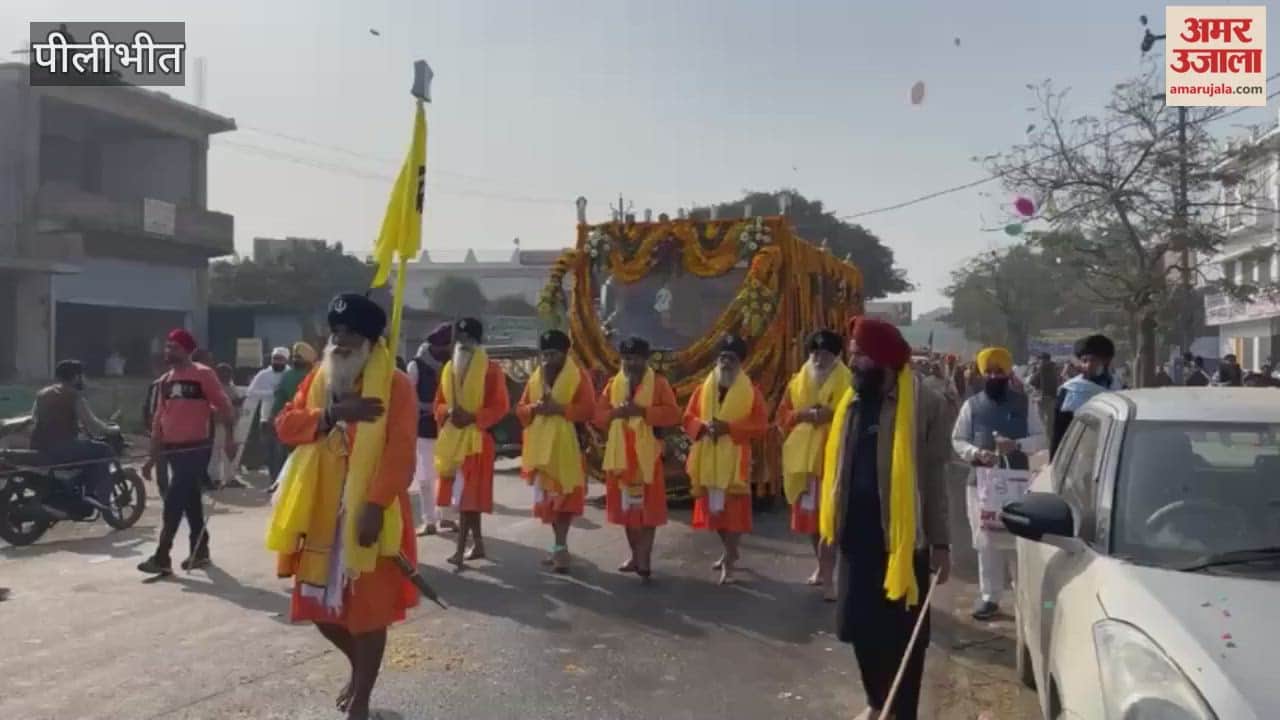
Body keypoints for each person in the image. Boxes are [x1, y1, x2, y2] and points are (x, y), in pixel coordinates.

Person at [266, 293, 418, 720]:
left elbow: (400, 451)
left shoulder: (397, 386)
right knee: (321, 610)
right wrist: (332, 415)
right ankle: (358, 670)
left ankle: (363, 700)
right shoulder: (317, 378)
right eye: (336, 332)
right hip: (318, 512)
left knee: (368, 612)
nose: (340, 341)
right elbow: (285, 426)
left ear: (372, 341)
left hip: (371, 510)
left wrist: (373, 504)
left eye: (351, 333)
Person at [819, 316, 951, 720]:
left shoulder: (926, 403)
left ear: (883, 361)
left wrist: (941, 543)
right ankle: (880, 702)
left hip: (902, 542)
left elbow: (933, 477)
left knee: (903, 638)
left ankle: (899, 711)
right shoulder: (852, 396)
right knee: (856, 626)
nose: (852, 361)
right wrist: (830, 523)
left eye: (859, 355)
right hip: (856, 536)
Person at [951, 347, 1046, 621]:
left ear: (1008, 373)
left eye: (999, 372)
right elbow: (958, 440)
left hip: (1017, 482)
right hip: (980, 482)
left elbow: (1041, 439)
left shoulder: (1025, 404)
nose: (994, 376)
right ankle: (990, 597)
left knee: (1018, 541)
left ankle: (1024, 599)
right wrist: (975, 453)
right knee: (986, 540)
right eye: (989, 372)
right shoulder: (972, 405)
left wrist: (1016, 445)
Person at [137, 329, 235, 575]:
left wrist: (230, 439)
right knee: (191, 501)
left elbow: (224, 405)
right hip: (172, 449)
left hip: (196, 448)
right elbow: (160, 417)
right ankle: (200, 550)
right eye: (167, 346)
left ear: (187, 350)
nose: (169, 351)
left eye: (175, 347)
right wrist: (152, 456)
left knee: (174, 500)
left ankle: (162, 555)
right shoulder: (165, 380)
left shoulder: (203, 374)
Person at [682, 333, 768, 585]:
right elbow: (687, 418)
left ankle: (729, 562)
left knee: (734, 512)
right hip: (707, 459)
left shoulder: (751, 392)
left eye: (730, 358)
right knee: (715, 512)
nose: (725, 362)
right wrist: (703, 426)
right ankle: (730, 550)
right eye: (722, 358)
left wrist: (729, 428)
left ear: (739, 363)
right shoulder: (703, 388)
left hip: (735, 462)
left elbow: (761, 426)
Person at [593, 336, 680, 581]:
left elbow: (674, 414)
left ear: (645, 360)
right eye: (626, 359)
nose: (630, 363)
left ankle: (644, 558)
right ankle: (635, 554)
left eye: (635, 359)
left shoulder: (660, 384)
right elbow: (598, 416)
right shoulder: (613, 384)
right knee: (627, 511)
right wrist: (617, 413)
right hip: (620, 458)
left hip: (647, 457)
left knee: (647, 511)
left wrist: (644, 412)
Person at [776, 329, 851, 600]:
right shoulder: (796, 383)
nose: (819, 358)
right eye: (815, 353)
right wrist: (803, 414)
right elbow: (782, 417)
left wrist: (833, 415)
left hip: (834, 462)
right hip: (804, 463)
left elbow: (855, 417)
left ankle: (829, 578)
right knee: (811, 522)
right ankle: (822, 567)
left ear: (837, 356)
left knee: (829, 521)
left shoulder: (849, 383)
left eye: (826, 354)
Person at [516, 329, 596, 573]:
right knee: (551, 502)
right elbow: (520, 409)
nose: (549, 360)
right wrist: (534, 409)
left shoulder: (579, 376)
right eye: (545, 355)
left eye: (554, 354)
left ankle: (561, 547)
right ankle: (559, 546)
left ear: (565, 354)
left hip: (568, 447)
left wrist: (560, 409)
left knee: (565, 500)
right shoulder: (536, 377)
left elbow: (588, 410)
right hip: (541, 450)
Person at [433, 317, 510, 568]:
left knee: (467, 499)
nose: (463, 344)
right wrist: (448, 413)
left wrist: (473, 417)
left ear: (478, 343)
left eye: (469, 340)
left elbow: (500, 406)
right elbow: (438, 404)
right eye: (460, 340)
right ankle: (477, 544)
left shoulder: (491, 370)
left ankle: (460, 550)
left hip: (477, 442)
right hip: (452, 440)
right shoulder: (448, 369)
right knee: (468, 500)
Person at [29, 359, 120, 510]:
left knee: (87, 450)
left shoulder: (42, 394)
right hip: (63, 448)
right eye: (81, 375)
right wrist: (111, 430)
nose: (83, 379)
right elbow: (91, 422)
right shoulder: (73, 395)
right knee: (104, 450)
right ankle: (93, 495)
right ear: (76, 377)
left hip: (39, 446)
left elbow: (34, 419)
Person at [406, 325, 452, 535]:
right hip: (424, 428)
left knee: (447, 474)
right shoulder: (415, 366)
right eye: (445, 346)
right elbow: (409, 400)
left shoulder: (451, 364)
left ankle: (446, 517)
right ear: (435, 346)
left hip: (448, 428)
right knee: (425, 478)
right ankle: (429, 520)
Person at [1050, 334, 1121, 458]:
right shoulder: (1070, 391)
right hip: (1079, 457)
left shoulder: (1118, 388)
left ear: (1106, 362)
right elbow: (1059, 433)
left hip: (1111, 453)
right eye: (1084, 361)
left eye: (1094, 360)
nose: (1088, 365)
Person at [266, 342, 318, 494]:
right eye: (295, 357)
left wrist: (273, 416)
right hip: (298, 422)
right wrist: (273, 416)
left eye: (298, 357)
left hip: (305, 422)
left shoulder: (311, 375)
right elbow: (280, 398)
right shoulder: (293, 376)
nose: (296, 360)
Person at [247, 347, 290, 481]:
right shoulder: (263, 374)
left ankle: (282, 480)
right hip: (266, 419)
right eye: (275, 359)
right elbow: (250, 392)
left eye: (280, 359)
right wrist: (271, 393)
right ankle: (273, 479)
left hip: (286, 418)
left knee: (282, 452)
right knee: (269, 452)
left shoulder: (290, 374)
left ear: (286, 360)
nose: (277, 362)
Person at [210, 363, 247, 489]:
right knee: (216, 451)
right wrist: (236, 402)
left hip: (231, 423)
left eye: (228, 373)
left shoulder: (231, 386)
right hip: (219, 424)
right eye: (223, 373)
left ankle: (229, 478)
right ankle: (214, 478)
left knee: (230, 453)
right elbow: (221, 404)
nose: (227, 375)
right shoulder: (216, 387)